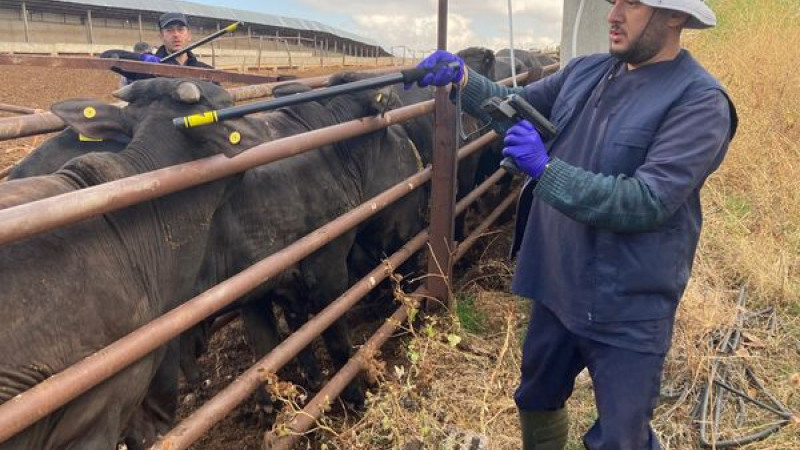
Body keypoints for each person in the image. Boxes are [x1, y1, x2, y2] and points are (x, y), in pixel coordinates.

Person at [410, 0, 737, 449]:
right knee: (537, 396)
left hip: (629, 300)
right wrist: (464, 80)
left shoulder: (700, 102)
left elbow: (647, 200)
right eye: (614, 2)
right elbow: (516, 107)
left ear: (675, 16)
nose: (613, 14)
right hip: (559, 280)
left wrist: (547, 171)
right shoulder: (587, 72)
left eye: (632, 4)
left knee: (622, 438)